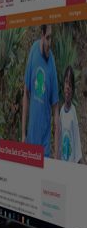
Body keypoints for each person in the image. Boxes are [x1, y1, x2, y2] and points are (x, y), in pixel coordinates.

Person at [22, 24, 60, 159]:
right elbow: (26, 92)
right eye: (48, 38)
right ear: (42, 36)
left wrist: (56, 153)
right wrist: (23, 134)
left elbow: (56, 109)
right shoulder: (33, 51)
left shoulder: (52, 63)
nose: (50, 43)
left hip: (44, 150)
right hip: (29, 142)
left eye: (51, 38)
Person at [59, 65, 83, 163]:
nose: (68, 87)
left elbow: (76, 140)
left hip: (71, 163)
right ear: (63, 86)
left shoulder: (73, 112)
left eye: (70, 84)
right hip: (62, 162)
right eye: (66, 82)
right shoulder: (61, 111)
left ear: (72, 89)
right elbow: (59, 139)